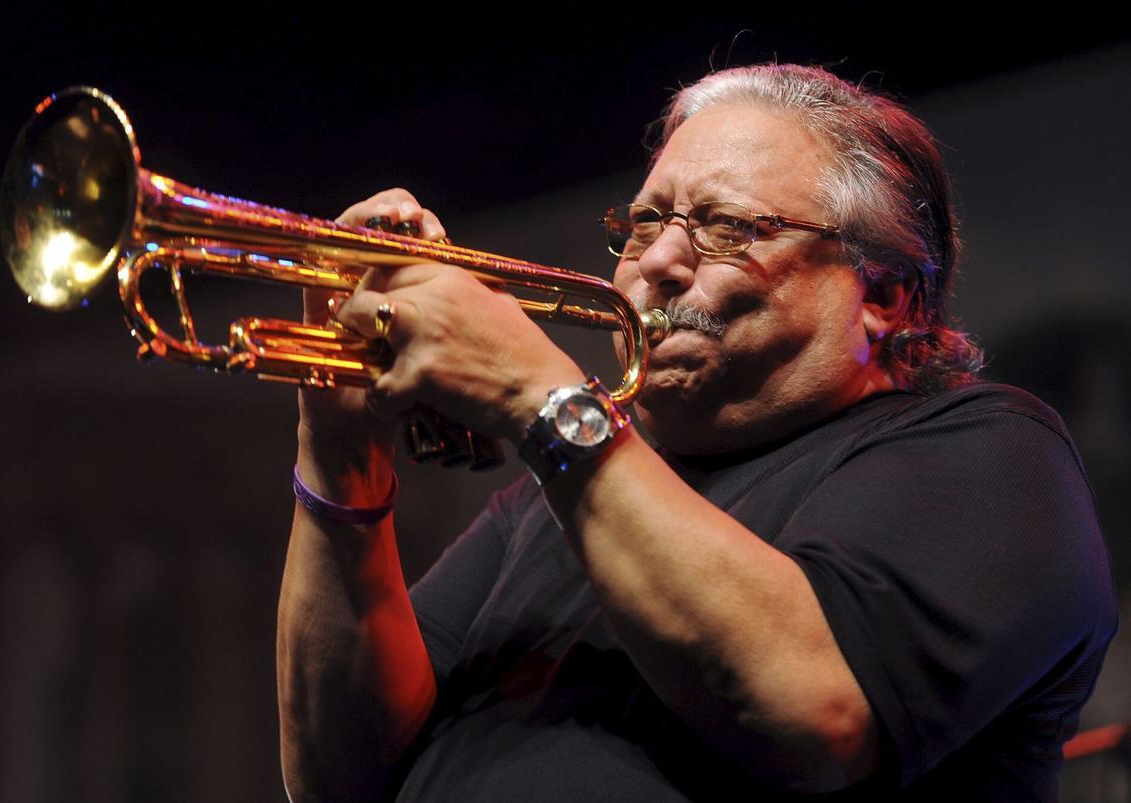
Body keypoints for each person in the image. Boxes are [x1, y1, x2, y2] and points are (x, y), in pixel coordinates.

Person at [275, 64, 1117, 801]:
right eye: (645, 222)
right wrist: (338, 447)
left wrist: (542, 395)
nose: (660, 262)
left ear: (885, 292)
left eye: (725, 227)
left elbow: (816, 708)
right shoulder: (540, 509)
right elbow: (337, 776)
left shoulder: (991, 451)